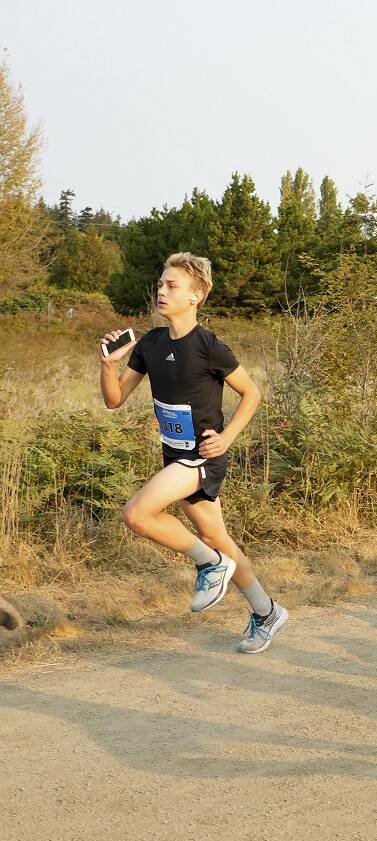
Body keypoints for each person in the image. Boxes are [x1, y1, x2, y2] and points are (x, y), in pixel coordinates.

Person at [99, 253, 288, 653]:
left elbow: (251, 393)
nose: (162, 291)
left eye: (172, 286)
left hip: (204, 455)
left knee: (137, 514)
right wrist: (108, 365)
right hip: (175, 455)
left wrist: (229, 437)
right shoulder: (150, 344)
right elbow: (114, 400)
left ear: (196, 296)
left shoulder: (209, 346)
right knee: (217, 536)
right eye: (161, 284)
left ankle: (209, 564)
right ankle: (266, 611)